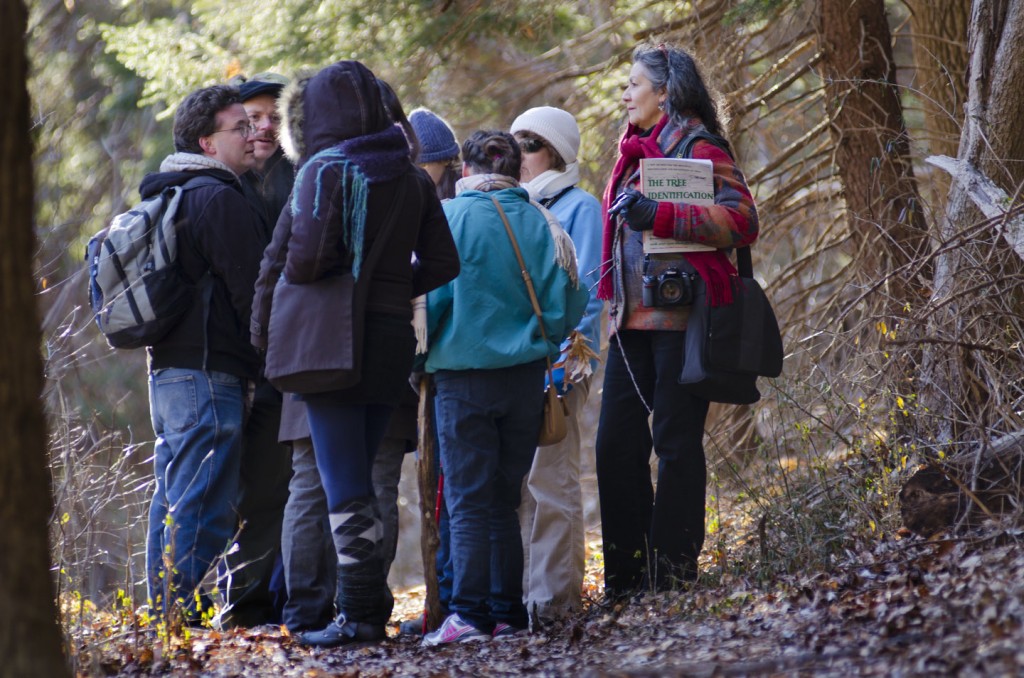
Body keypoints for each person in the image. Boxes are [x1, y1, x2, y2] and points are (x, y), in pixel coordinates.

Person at [250, 60, 460, 648]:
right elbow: (444, 263)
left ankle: (360, 617)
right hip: (393, 341)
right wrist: (390, 285)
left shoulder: (325, 170)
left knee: (342, 486)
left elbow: (306, 261)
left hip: (331, 345)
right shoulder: (413, 176)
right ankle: (363, 613)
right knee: (361, 484)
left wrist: (353, 278)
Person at [595, 44, 759, 598]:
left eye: (634, 84)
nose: (625, 93)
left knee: (675, 443)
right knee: (615, 445)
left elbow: (742, 219)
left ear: (664, 92)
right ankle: (624, 578)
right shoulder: (630, 154)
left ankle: (671, 577)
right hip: (629, 322)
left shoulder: (698, 145)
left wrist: (659, 213)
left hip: (684, 321)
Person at [421, 130, 589, 646]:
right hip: (525, 380)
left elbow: (429, 307)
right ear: (518, 171)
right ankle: (508, 614)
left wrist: (423, 357)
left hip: (462, 378)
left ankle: (468, 616)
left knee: (467, 502)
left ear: (465, 170)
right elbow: (570, 303)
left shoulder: (448, 219)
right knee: (503, 499)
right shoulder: (544, 220)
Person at [143, 84, 267, 624]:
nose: (253, 134)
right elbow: (253, 292)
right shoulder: (217, 197)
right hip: (209, 372)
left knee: (171, 495)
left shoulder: (169, 192)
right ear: (207, 142)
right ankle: (178, 614)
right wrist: (267, 357)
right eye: (239, 127)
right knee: (203, 502)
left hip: (168, 371)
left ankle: (162, 611)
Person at [509, 106, 602, 623]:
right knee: (522, 487)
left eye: (531, 144)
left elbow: (588, 296)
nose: (519, 154)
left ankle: (555, 600)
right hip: (519, 367)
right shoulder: (518, 205)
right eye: (515, 143)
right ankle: (525, 599)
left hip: (561, 371)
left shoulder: (580, 206)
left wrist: (566, 368)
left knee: (552, 483)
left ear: (558, 153)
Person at [217, 73, 295, 630]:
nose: (263, 128)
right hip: (230, 363)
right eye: (252, 119)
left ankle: (263, 603)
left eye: (273, 117)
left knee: (281, 488)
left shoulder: (302, 178)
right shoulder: (222, 185)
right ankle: (229, 603)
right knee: (232, 489)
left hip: (290, 362)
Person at [401, 106, 462, 636]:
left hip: (450, 366)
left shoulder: (454, 211)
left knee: (448, 491)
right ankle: (440, 601)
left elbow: (441, 290)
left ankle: (448, 602)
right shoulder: (405, 203)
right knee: (433, 489)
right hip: (422, 367)